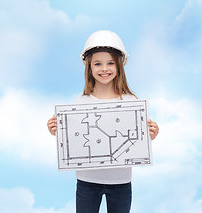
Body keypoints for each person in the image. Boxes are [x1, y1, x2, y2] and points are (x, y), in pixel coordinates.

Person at [47, 30, 159, 213]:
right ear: (89, 67)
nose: (104, 69)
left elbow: (138, 140)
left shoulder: (131, 102)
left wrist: (151, 134)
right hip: (87, 181)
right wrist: (56, 131)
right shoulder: (79, 104)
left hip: (120, 181)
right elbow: (72, 141)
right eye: (97, 63)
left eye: (110, 63)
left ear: (119, 66)